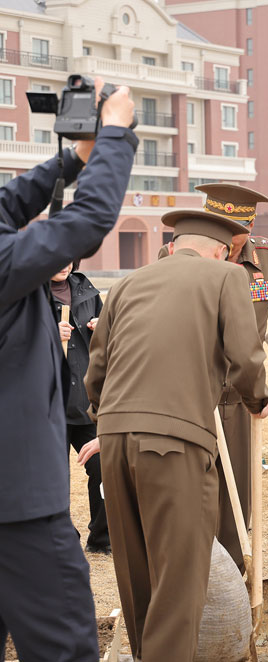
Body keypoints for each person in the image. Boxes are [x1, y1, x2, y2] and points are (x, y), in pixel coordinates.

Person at [85, 209, 268, 662]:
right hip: (175, 444)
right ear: (222, 251)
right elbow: (246, 357)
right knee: (179, 580)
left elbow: (97, 368)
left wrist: (106, 418)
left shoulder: (127, 282)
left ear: (173, 246)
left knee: (136, 573)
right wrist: (257, 399)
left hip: (114, 437)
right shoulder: (228, 276)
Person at [0, 79, 135, 662]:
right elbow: (87, 222)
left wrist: (75, 157)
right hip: (18, 508)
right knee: (64, 647)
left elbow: (9, 204)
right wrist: (116, 133)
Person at [160, 183, 268, 571]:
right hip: (193, 388)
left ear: (250, 227)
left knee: (238, 486)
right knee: (191, 479)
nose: (227, 241)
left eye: (236, 233)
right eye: (220, 229)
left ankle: (232, 570)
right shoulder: (181, 254)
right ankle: (190, 565)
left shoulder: (267, 256)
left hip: (242, 391)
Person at [50, 262, 110, 555]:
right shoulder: (25, 294)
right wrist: (48, 334)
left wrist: (102, 329)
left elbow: (109, 340)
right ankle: (61, 540)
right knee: (52, 478)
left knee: (104, 467)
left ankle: (102, 538)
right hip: (48, 405)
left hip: (86, 401)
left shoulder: (87, 291)